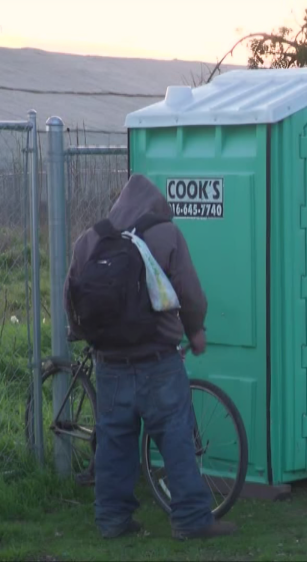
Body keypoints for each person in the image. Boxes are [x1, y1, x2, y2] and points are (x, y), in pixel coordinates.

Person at [63, 174, 236, 541]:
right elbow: (190, 294)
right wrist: (196, 331)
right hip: (158, 360)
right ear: (156, 206)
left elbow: (72, 293)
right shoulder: (166, 235)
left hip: (110, 363)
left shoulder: (90, 239)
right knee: (175, 435)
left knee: (114, 441)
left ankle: (112, 520)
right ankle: (190, 519)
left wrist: (83, 336)